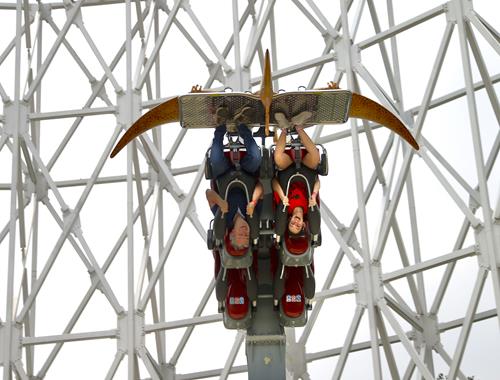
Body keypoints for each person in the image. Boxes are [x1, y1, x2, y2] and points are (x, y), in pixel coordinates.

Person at [206, 106, 263, 249]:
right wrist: (253, 202)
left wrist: (220, 202)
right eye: (247, 235)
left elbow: (209, 194)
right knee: (256, 157)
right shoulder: (253, 216)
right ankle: (243, 124)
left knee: (216, 158)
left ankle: (221, 124)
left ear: (232, 233)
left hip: (224, 174)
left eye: (241, 235)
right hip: (246, 173)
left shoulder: (223, 218)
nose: (245, 232)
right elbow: (260, 188)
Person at [272, 111, 321, 236]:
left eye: (292, 224)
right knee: (315, 157)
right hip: (306, 170)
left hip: (287, 170)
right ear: (303, 224)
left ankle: (284, 128)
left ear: (289, 220)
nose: (295, 223)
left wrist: (283, 196)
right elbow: (317, 182)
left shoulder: (286, 205)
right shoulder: (309, 207)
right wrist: (314, 195)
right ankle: (298, 126)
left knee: (277, 157)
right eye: (298, 226)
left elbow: (274, 182)